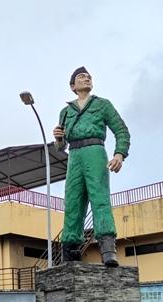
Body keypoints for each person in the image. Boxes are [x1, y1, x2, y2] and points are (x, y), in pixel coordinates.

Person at [54, 67, 130, 267]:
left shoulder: (103, 105)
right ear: (73, 85)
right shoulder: (66, 111)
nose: (86, 78)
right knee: (72, 201)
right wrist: (58, 139)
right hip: (74, 156)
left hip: (95, 151)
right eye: (81, 77)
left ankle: (108, 250)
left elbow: (121, 130)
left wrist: (119, 154)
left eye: (88, 77)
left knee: (100, 197)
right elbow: (61, 146)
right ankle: (70, 252)